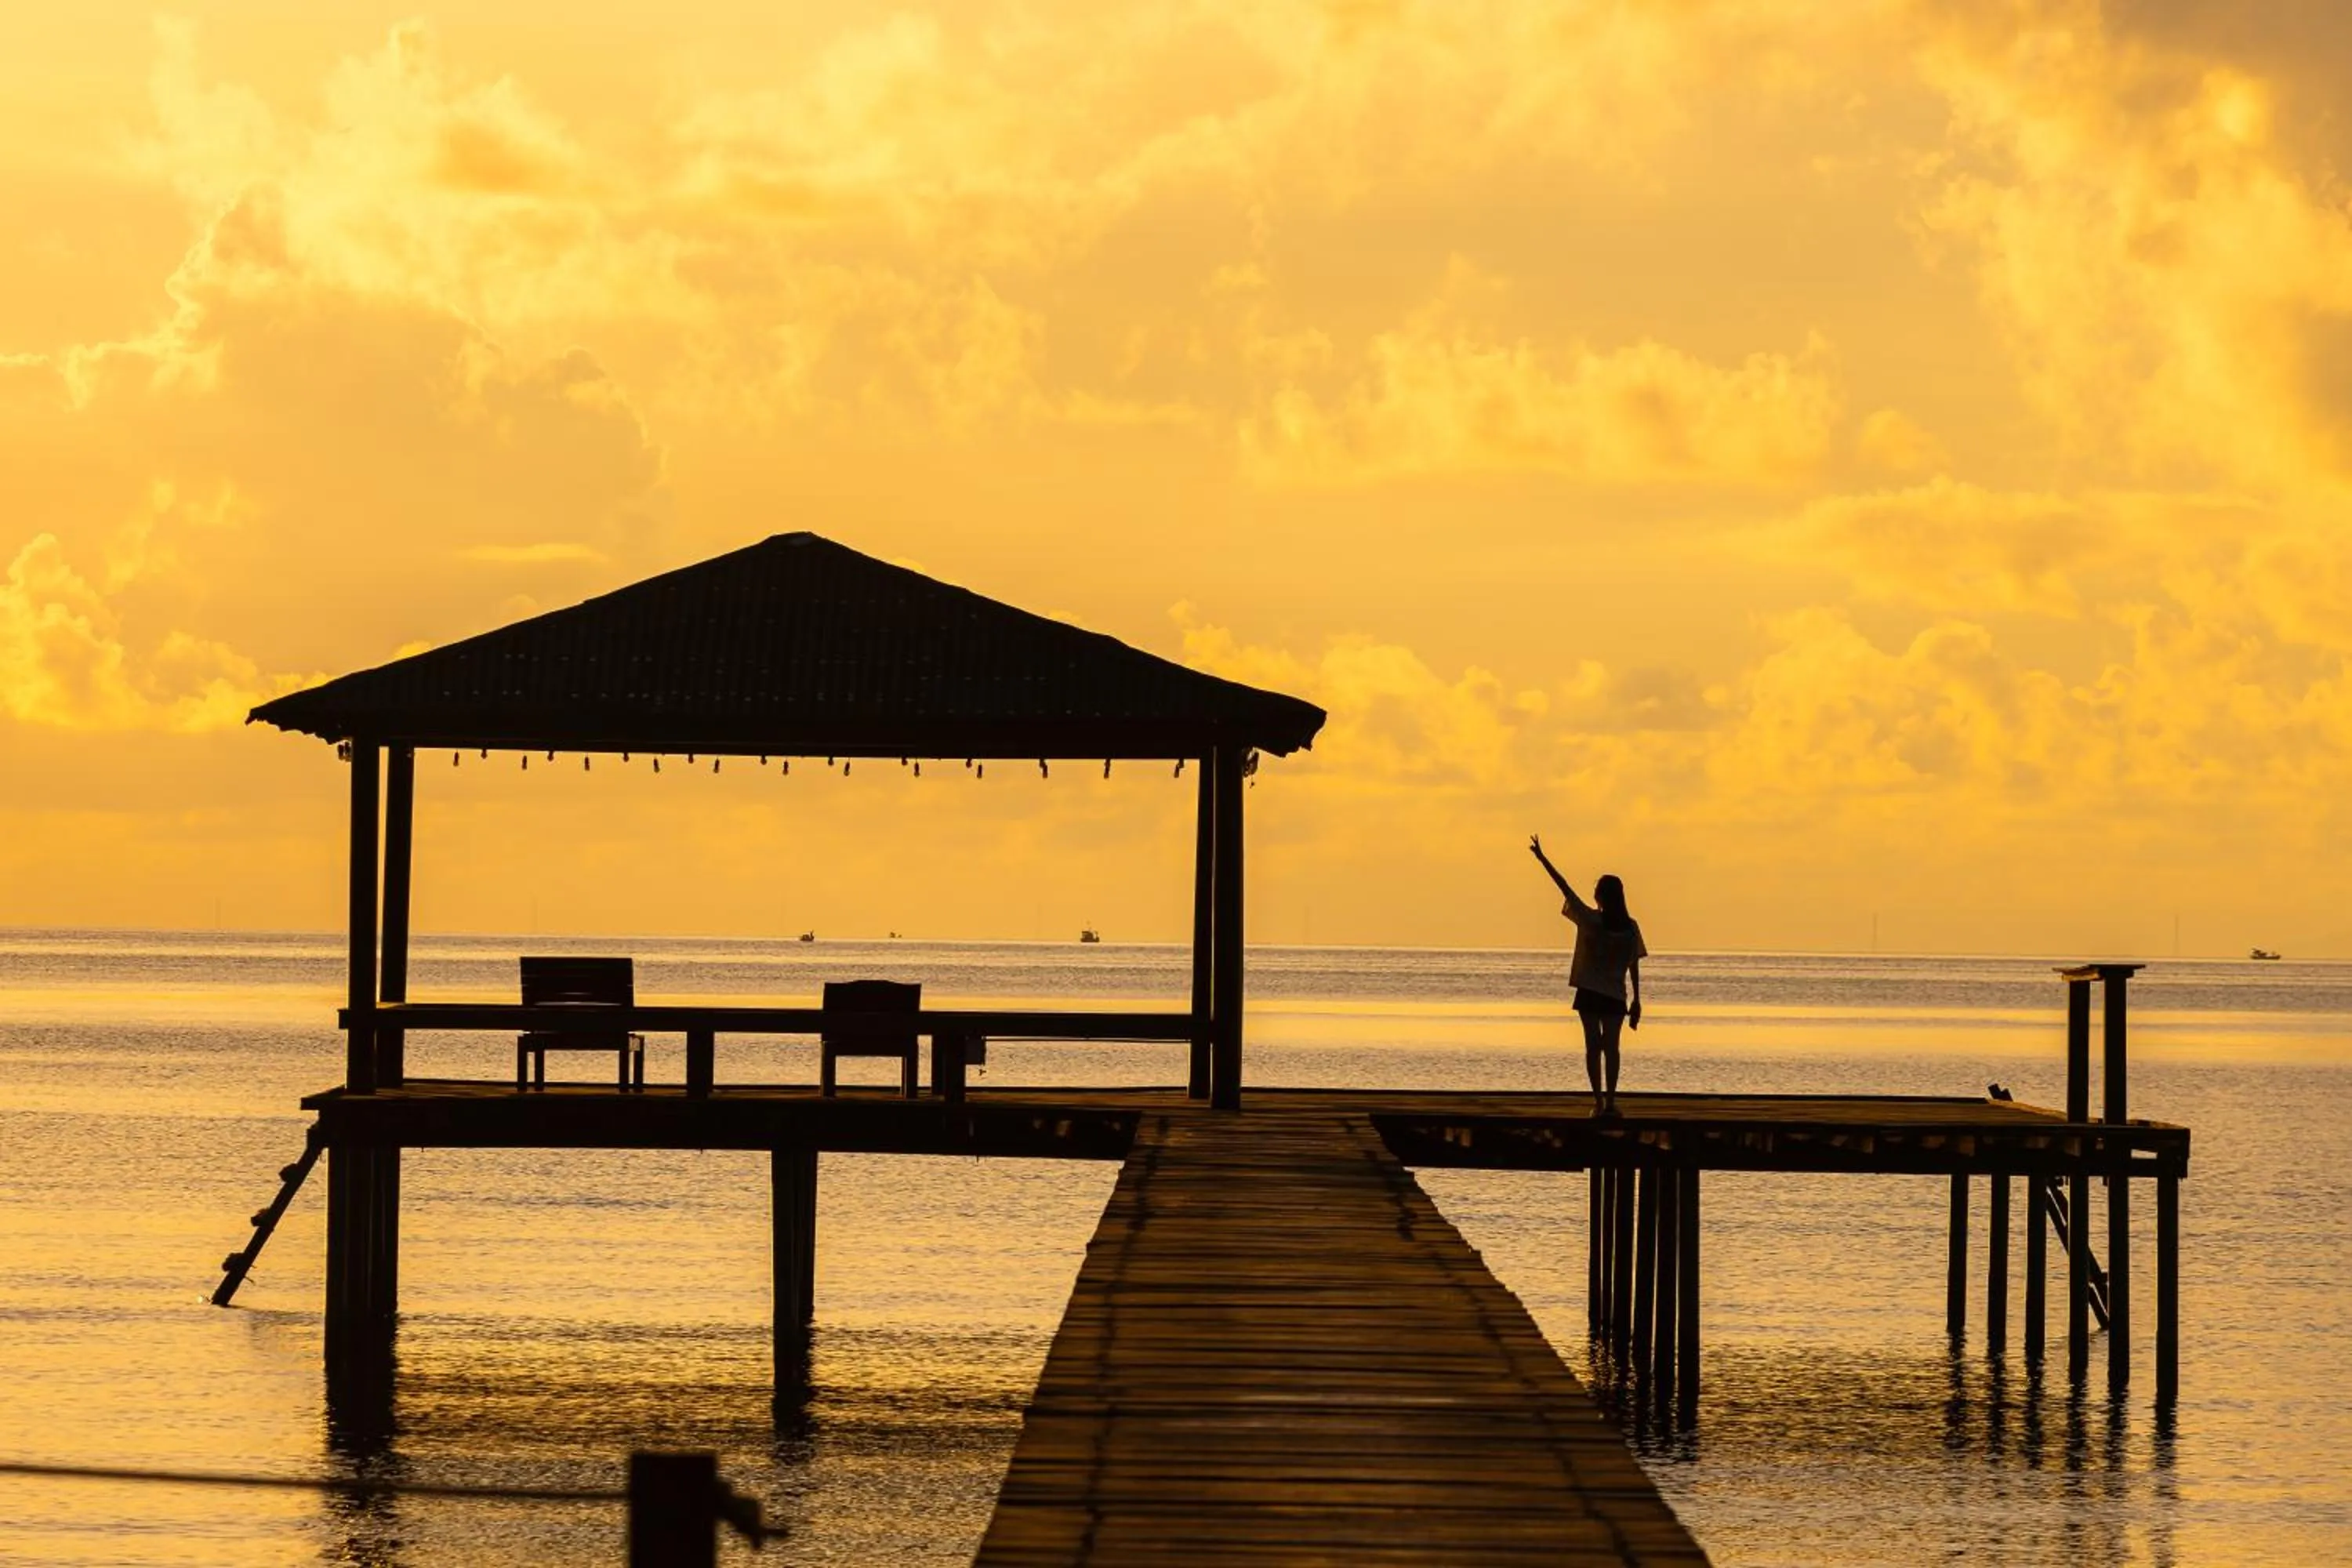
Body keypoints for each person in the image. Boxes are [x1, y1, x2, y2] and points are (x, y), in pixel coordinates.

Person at [1527, 836, 1646, 1116]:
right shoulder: (1630, 927)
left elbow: (1564, 888)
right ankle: (1611, 1102)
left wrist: (1543, 859)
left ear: (1601, 897)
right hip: (1616, 995)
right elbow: (1634, 963)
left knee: (1593, 1047)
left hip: (1591, 992)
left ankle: (1599, 1102)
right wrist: (1638, 999)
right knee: (1612, 1049)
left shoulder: (1592, 921)